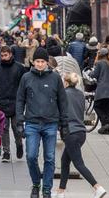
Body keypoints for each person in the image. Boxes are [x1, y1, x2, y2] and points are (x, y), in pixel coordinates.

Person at [15, 47, 69, 198]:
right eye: (37, 61)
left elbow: (63, 102)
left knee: (50, 157)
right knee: (31, 156)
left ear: (47, 62)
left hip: (50, 123)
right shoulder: (26, 77)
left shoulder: (55, 78)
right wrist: (19, 121)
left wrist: (64, 125)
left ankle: (46, 188)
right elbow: (20, 100)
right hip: (31, 123)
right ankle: (36, 183)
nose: (39, 64)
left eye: (42, 62)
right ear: (33, 62)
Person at [55, 73, 107, 198]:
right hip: (81, 132)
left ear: (66, 83)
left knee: (78, 164)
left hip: (70, 132)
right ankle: (61, 191)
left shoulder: (64, 94)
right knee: (65, 161)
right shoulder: (80, 94)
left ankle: (97, 187)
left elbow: (60, 112)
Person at [0, 45, 26, 162]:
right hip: (2, 102)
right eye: (2, 55)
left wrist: (21, 99)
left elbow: (23, 84)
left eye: (6, 55)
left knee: (17, 128)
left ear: (10, 54)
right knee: (4, 129)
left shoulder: (19, 68)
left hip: (15, 102)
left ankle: (19, 144)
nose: (4, 57)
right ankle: (6, 152)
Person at [91, 48, 109, 135]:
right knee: (108, 109)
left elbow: (94, 75)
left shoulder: (99, 63)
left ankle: (105, 124)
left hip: (102, 89)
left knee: (97, 106)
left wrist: (89, 73)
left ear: (100, 55)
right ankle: (106, 129)